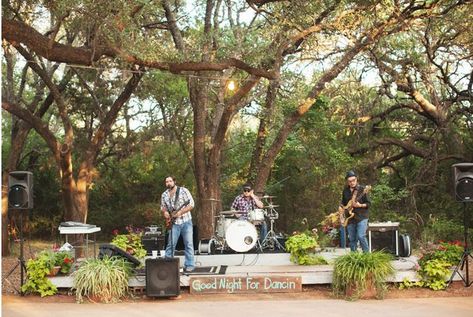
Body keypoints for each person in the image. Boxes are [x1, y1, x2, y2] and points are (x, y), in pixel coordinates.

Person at [161, 176, 195, 272]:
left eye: (170, 181)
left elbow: (191, 204)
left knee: (188, 243)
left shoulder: (183, 191)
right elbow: (163, 207)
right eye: (166, 181)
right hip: (173, 223)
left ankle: (189, 265)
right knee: (171, 244)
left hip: (186, 221)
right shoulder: (164, 195)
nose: (168, 183)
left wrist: (180, 212)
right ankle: (167, 264)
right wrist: (165, 213)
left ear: (174, 181)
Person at [340, 170, 370, 252]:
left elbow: (368, 204)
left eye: (353, 180)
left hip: (362, 216)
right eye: (350, 181)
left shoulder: (362, 189)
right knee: (352, 239)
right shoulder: (345, 191)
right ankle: (354, 257)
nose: (352, 183)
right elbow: (343, 203)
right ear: (347, 181)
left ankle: (367, 257)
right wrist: (341, 210)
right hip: (350, 218)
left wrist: (360, 205)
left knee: (361, 236)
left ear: (356, 179)